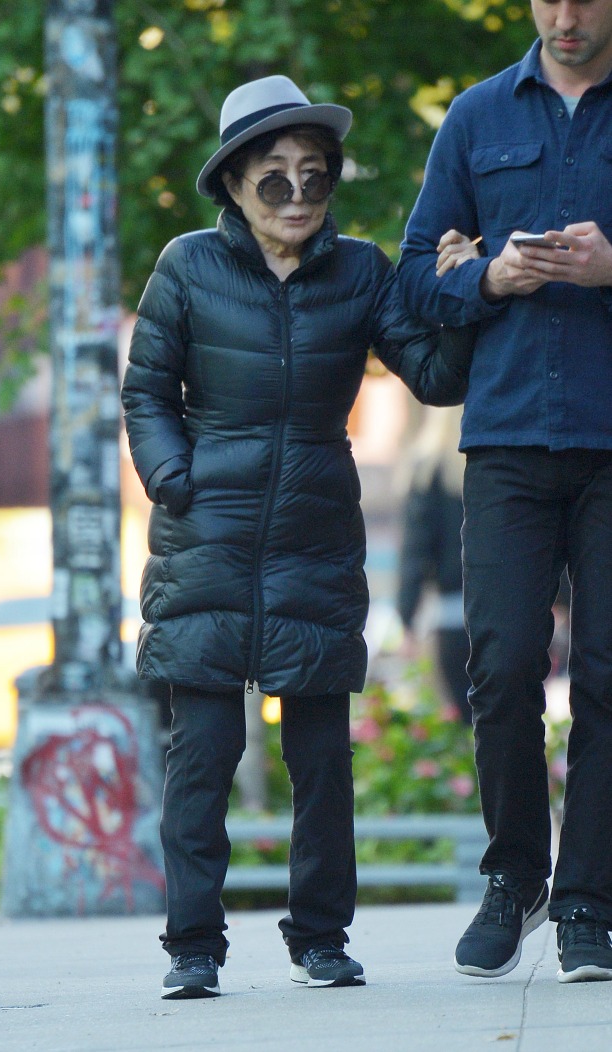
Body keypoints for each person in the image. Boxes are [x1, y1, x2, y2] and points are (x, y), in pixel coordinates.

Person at [121, 74, 473, 1000]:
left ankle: (321, 938)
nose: (298, 197)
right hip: (204, 540)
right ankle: (193, 948)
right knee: (200, 760)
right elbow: (147, 391)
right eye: (274, 178)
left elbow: (434, 378)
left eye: (314, 177)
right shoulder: (187, 266)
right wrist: (174, 478)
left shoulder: (360, 269)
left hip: (317, 537)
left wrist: (459, 292)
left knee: (322, 761)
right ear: (234, 183)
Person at [397, 0, 612, 985]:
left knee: (608, 677)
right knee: (500, 664)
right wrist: (488, 278)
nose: (566, 17)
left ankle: (586, 905)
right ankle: (514, 876)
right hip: (508, 438)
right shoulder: (477, 116)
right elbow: (412, 278)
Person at [394, 406, 471, 724]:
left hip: (451, 615)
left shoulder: (427, 471)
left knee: (462, 720)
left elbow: (416, 551)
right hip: (506, 611)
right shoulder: (498, 470)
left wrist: (407, 616)